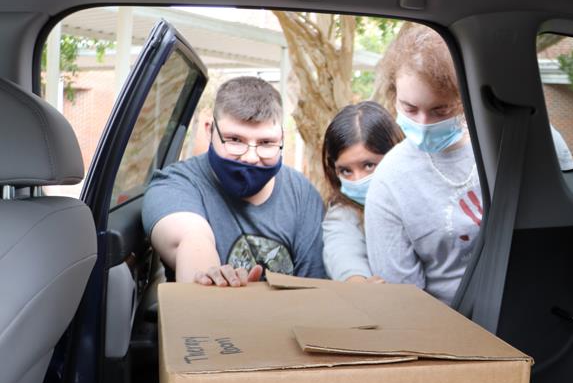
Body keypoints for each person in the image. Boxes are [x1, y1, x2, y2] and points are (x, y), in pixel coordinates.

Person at [142, 76, 325, 286]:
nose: (251, 157)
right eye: (235, 140)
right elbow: (191, 240)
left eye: (266, 143)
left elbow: (313, 285)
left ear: (281, 138)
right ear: (210, 130)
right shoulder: (175, 185)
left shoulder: (302, 194)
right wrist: (209, 279)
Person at [364, 25, 481, 305]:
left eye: (441, 110)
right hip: (449, 328)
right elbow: (405, 301)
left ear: (463, 99)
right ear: (394, 97)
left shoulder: (510, 144)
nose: (423, 123)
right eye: (409, 108)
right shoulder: (389, 181)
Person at [321, 101, 403, 283]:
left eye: (369, 165)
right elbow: (343, 252)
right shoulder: (343, 213)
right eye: (346, 171)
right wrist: (359, 284)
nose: (358, 179)